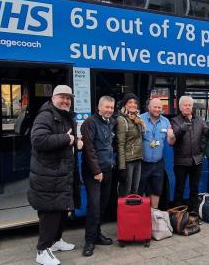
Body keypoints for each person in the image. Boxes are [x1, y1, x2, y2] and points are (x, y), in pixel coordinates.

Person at [28, 85, 82, 265]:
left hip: (62, 174)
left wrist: (76, 142)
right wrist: (67, 139)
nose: (65, 101)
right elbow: (38, 140)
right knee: (50, 213)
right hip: (48, 175)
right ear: (53, 98)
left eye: (68, 98)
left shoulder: (66, 116)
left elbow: (69, 140)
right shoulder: (46, 116)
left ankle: (56, 241)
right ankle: (42, 251)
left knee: (61, 210)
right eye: (62, 97)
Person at [81, 96, 116, 257]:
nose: (109, 110)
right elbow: (89, 150)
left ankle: (97, 235)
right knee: (94, 206)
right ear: (99, 107)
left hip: (107, 170)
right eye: (107, 107)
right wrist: (96, 172)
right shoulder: (90, 123)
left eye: (111, 107)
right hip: (94, 173)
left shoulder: (110, 122)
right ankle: (89, 241)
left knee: (102, 205)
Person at [170, 96, 209, 210]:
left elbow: (206, 132)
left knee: (194, 188)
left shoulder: (199, 120)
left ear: (192, 107)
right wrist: (182, 129)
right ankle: (178, 214)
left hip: (196, 160)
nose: (188, 107)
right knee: (180, 188)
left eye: (189, 105)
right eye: (185, 105)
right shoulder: (175, 120)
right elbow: (175, 136)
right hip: (181, 162)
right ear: (180, 107)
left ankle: (194, 213)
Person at [139, 98, 175, 208]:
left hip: (158, 163)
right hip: (142, 163)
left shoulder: (166, 122)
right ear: (149, 107)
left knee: (156, 190)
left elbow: (170, 143)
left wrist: (171, 136)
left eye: (160, 107)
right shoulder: (140, 119)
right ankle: (141, 215)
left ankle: (154, 215)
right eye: (155, 106)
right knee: (139, 190)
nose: (157, 109)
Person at [116, 93, 145, 197]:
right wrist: (122, 168)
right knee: (126, 192)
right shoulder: (122, 119)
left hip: (138, 159)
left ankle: (132, 213)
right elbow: (120, 144)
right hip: (128, 162)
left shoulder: (138, 119)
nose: (133, 104)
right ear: (125, 105)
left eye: (135, 102)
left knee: (135, 191)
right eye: (130, 102)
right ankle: (123, 213)